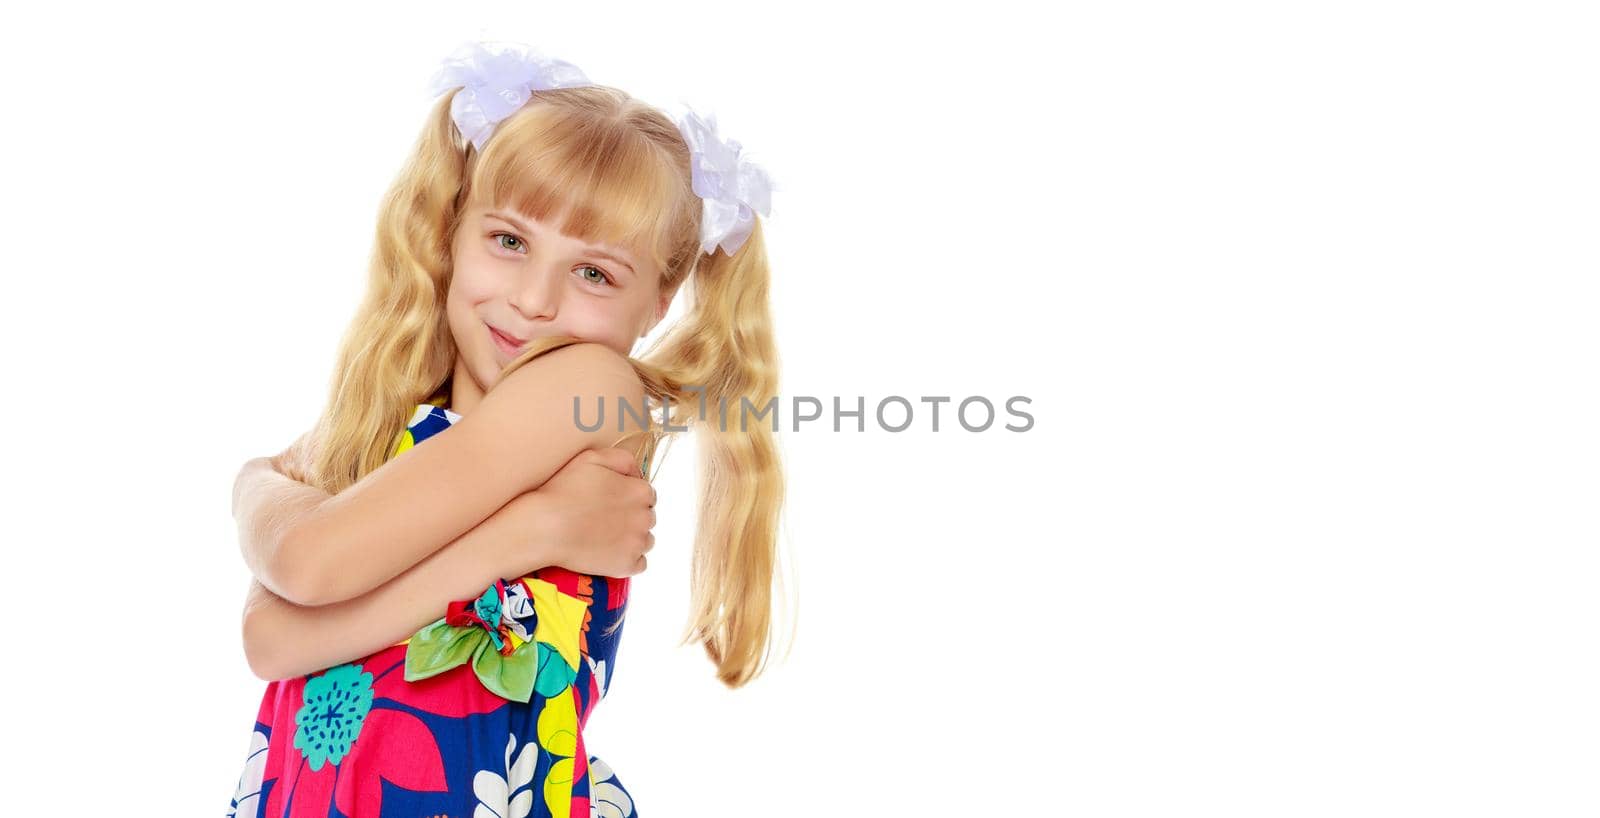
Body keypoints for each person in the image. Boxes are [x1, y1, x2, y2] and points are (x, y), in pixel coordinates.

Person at [224, 41, 787, 818]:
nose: (533, 300)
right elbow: (271, 643)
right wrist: (523, 534)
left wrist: (267, 489)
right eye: (511, 242)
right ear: (454, 232)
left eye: (593, 272)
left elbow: (305, 564)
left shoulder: (587, 386)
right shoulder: (395, 414)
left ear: (659, 303)